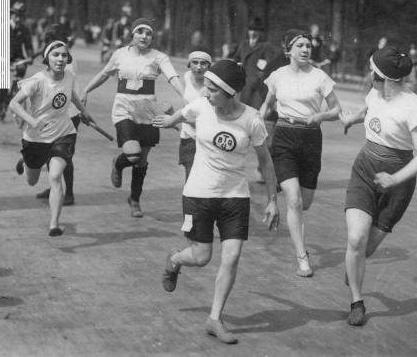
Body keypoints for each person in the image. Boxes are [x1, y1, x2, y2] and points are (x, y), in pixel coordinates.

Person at [153, 59, 280, 345]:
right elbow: (182, 115)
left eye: (212, 89)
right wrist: (166, 120)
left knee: (232, 256)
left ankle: (214, 318)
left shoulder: (251, 119)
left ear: (229, 92)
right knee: (201, 257)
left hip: (235, 197)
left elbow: (266, 162)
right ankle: (175, 260)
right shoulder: (201, 106)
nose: (206, 93)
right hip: (198, 193)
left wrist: (273, 200)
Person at [339, 46, 417, 326]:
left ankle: (354, 264)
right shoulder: (375, 93)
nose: (370, 75)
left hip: (398, 184)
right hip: (365, 171)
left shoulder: (413, 107)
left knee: (365, 249)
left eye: (373, 72)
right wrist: (352, 119)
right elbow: (369, 109)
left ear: (385, 78)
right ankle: (357, 302)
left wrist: (395, 179)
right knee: (356, 240)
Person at [260, 29, 343, 278]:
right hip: (284, 136)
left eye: (308, 45)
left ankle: (291, 202)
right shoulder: (277, 76)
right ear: (289, 50)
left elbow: (336, 108)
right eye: (300, 46)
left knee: (304, 203)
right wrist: (255, 120)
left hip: (310, 139)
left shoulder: (320, 76)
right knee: (294, 200)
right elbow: (268, 103)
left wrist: (320, 115)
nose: (306, 50)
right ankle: (302, 256)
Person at [82, 18, 184, 218]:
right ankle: (118, 164)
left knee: (142, 160)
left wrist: (186, 96)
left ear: (152, 37)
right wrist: (86, 90)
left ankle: (135, 199)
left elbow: (173, 78)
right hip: (124, 109)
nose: (144, 36)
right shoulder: (120, 54)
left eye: (148, 33)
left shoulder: (159, 57)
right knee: (133, 153)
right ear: (132, 34)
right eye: (140, 32)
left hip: (148, 110)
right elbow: (104, 74)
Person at [9, 40, 91, 236]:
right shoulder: (37, 80)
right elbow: (14, 103)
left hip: (63, 133)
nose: (61, 59)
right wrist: (32, 121)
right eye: (56, 55)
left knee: (55, 176)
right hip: (36, 138)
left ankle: (54, 224)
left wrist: (83, 111)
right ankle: (26, 161)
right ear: (47, 59)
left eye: (64, 55)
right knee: (32, 180)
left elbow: (71, 93)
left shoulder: (69, 74)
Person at [0, 2, 34, 121]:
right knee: (1, 82)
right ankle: (0, 106)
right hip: (3, 58)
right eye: (16, 15)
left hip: (17, 58)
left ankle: (10, 100)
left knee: (20, 72)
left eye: (21, 16)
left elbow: (28, 45)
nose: (18, 18)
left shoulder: (24, 29)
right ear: (11, 15)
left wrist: (30, 56)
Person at [178, 49, 211, 179]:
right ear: (189, 64)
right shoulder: (186, 77)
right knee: (190, 177)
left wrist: (176, 117)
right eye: (195, 62)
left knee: (206, 179)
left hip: (207, 138)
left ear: (209, 66)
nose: (198, 67)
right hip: (188, 137)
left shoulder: (212, 86)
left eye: (203, 63)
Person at [230, 17, 277, 109]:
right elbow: (236, 59)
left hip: (255, 82)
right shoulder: (244, 44)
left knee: (249, 107)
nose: (253, 33)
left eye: (256, 30)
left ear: (260, 32)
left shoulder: (265, 46)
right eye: (251, 30)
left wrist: (260, 73)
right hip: (241, 78)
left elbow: (268, 64)